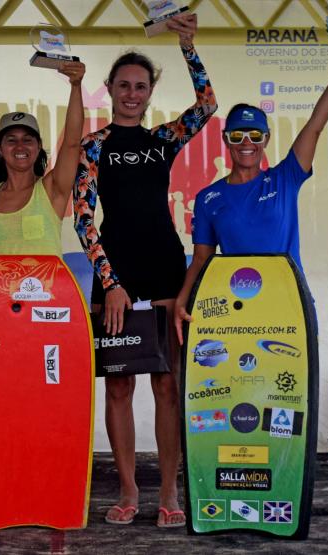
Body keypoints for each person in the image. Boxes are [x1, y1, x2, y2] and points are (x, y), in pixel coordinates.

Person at [72, 13, 217, 528]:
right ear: (108, 89)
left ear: (150, 91)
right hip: (115, 276)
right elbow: (84, 218)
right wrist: (111, 284)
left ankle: (170, 491)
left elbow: (207, 106)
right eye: (123, 85)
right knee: (117, 388)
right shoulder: (93, 146)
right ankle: (130, 490)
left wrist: (187, 45)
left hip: (163, 271)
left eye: (140, 86)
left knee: (166, 384)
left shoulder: (163, 140)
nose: (131, 93)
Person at [174, 52, 328, 342]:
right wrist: (182, 301)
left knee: (294, 387)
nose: (247, 143)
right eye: (237, 136)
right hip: (236, 307)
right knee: (240, 385)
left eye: (254, 135)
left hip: (289, 302)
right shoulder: (208, 198)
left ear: (266, 139)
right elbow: (202, 259)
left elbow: (315, 125)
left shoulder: (284, 177)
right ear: (226, 140)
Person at [0, 61, 85, 284]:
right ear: (0, 149)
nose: (20, 147)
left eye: (27, 140)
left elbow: (71, 143)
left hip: (43, 308)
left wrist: (76, 86)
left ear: (38, 146)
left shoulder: (51, 190)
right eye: (11, 140)